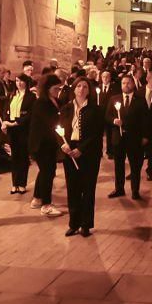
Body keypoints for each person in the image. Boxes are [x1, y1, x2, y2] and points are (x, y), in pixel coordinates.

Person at [59, 77, 103, 237]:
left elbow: (96, 134)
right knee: (73, 189)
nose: (82, 89)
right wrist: (63, 145)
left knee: (88, 189)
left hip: (88, 152)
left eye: (85, 87)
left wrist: (81, 149)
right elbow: (59, 129)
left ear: (89, 90)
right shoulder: (66, 108)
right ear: (74, 89)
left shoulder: (95, 109)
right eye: (79, 86)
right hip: (69, 150)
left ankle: (86, 224)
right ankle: (73, 223)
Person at [106, 74, 148, 200]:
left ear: (133, 84)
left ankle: (135, 190)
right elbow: (107, 116)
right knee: (118, 165)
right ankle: (119, 188)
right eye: (123, 83)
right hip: (118, 138)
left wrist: (145, 136)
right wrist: (114, 120)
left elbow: (145, 120)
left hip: (134, 138)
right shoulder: (114, 99)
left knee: (135, 165)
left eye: (128, 83)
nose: (126, 85)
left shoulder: (140, 100)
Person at [28, 74, 64, 217]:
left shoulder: (54, 100)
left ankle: (37, 198)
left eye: (59, 88)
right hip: (41, 144)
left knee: (45, 171)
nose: (58, 90)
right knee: (48, 172)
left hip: (49, 144)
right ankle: (46, 205)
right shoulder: (41, 103)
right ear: (47, 88)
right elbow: (52, 121)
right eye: (56, 88)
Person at [2, 74, 35, 194]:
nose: (19, 83)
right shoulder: (11, 95)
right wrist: (5, 122)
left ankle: (22, 183)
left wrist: (16, 122)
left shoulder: (31, 97)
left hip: (23, 129)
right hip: (12, 129)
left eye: (21, 81)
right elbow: (6, 109)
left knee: (23, 156)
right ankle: (14, 183)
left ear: (26, 82)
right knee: (14, 156)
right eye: (17, 81)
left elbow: (30, 114)